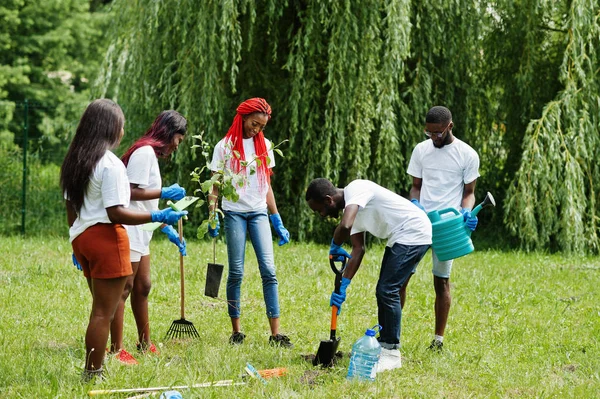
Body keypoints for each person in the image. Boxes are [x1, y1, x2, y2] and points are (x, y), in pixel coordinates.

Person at [60, 99, 187, 381]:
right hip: (107, 239)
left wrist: (76, 240)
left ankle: (98, 365)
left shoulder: (75, 161)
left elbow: (71, 209)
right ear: (110, 128)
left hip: (82, 238)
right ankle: (94, 372)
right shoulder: (110, 164)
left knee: (100, 309)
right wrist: (159, 217)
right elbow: (117, 212)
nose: (123, 132)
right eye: (121, 126)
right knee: (103, 313)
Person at [305, 178, 432, 372]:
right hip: (400, 236)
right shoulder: (351, 210)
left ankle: (391, 353)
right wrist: (343, 285)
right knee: (387, 290)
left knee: (387, 290)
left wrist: (335, 244)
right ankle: (385, 345)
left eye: (319, 210)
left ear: (329, 200)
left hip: (413, 231)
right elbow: (358, 250)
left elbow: (345, 227)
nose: (321, 215)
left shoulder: (356, 189)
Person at [208, 97, 292, 347]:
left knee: (269, 270)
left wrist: (276, 218)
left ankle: (276, 334)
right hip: (234, 213)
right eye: (254, 124)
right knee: (236, 271)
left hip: (258, 213)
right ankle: (236, 331)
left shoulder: (265, 146)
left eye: (261, 126)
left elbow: (266, 186)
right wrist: (212, 215)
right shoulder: (224, 147)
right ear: (243, 117)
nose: (256, 130)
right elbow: (214, 186)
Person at [106, 110, 189, 365]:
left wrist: (165, 226)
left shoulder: (150, 155)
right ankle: (116, 350)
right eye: (178, 139)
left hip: (144, 230)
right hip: (130, 228)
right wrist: (165, 191)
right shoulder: (143, 153)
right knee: (124, 289)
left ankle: (144, 343)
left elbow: (147, 201)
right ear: (169, 132)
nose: (177, 145)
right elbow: (128, 193)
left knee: (143, 286)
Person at [405, 105, 480, 351]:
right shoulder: (421, 150)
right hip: (420, 222)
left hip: (447, 227)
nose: (433, 138)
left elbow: (469, 193)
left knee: (442, 282)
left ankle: (438, 340)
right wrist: (414, 203)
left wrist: (466, 212)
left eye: (437, 133)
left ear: (449, 126)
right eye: (428, 133)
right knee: (401, 278)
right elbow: (416, 186)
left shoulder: (467, 154)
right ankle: (391, 333)